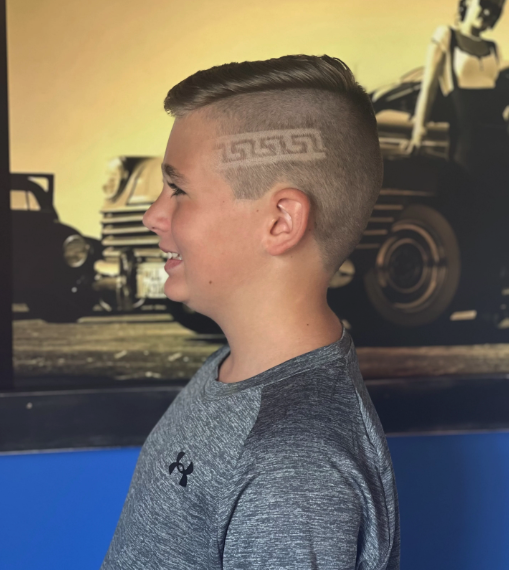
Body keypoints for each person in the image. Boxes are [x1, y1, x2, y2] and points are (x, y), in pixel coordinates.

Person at [99, 55, 400, 569]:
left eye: (178, 190)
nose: (153, 215)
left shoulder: (295, 471)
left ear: (281, 222)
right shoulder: (234, 369)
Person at [408, 0, 509, 324]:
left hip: (498, 144)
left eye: (494, 9)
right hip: (467, 143)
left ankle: (490, 306)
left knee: (496, 221)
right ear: (466, 4)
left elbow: (496, 99)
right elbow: (429, 86)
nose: (487, 12)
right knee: (466, 218)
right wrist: (419, 128)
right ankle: (456, 303)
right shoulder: (446, 37)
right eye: (484, 4)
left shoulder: (494, 48)